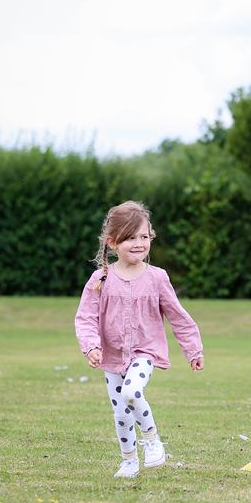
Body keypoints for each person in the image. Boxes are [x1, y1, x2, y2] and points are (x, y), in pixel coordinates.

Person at [74, 201, 204, 479]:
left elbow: (178, 316)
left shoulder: (157, 278)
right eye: (130, 238)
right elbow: (85, 317)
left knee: (132, 392)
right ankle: (129, 461)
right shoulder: (101, 279)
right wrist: (91, 346)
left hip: (145, 352)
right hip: (111, 356)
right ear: (112, 242)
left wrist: (193, 349)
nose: (138, 243)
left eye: (144, 237)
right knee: (121, 413)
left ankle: (152, 439)